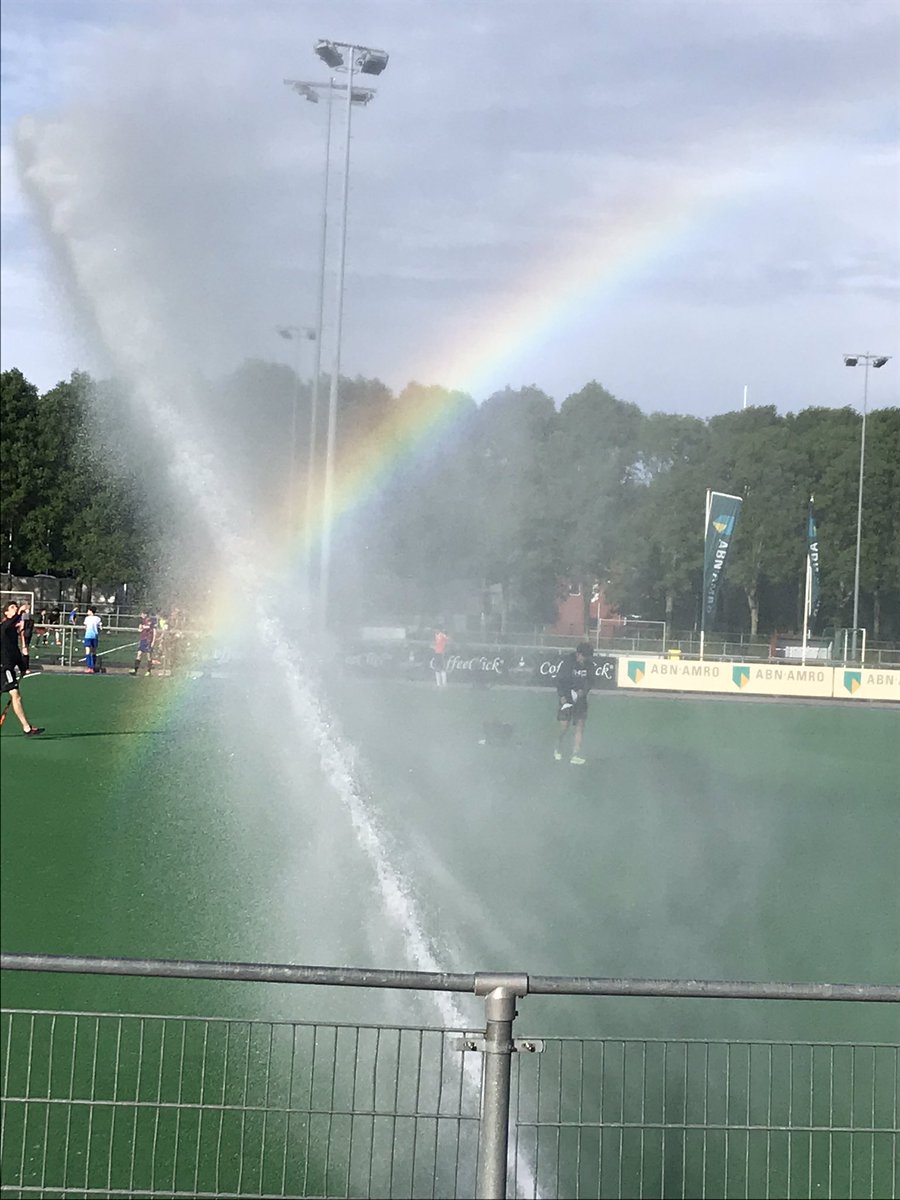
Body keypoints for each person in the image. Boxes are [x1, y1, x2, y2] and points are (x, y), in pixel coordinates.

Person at [0, 600, 44, 736]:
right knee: (16, 695)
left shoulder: (12, 631)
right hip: (4, 668)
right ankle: (26, 728)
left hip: (8, 667)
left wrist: (23, 663)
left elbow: (14, 652)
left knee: (16, 696)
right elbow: (9, 624)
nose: (15, 608)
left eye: (16, 607)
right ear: (6, 613)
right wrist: (19, 612)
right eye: (12, 607)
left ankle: (27, 728)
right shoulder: (3, 627)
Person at [554, 641, 593, 765]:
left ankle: (575, 754)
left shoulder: (589, 664)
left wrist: (584, 691)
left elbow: (591, 680)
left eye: (587, 657)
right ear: (578, 654)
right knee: (564, 726)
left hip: (581, 700)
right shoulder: (567, 662)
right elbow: (560, 680)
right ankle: (558, 747)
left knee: (580, 726)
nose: (585, 659)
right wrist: (562, 695)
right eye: (583, 656)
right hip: (567, 698)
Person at [83, 606, 102, 673]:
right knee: (93, 651)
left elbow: (85, 627)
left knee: (88, 651)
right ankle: (93, 667)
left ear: (91, 611)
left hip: (88, 636)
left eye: (88, 611)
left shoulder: (87, 618)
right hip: (94, 636)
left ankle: (89, 667)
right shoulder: (98, 618)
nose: (87, 612)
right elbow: (100, 626)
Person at [17, 602, 35, 673]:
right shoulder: (27, 616)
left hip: (26, 634)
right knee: (24, 650)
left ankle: (25, 668)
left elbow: (23, 628)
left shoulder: (26, 616)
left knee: (24, 650)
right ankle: (24, 668)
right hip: (26, 634)